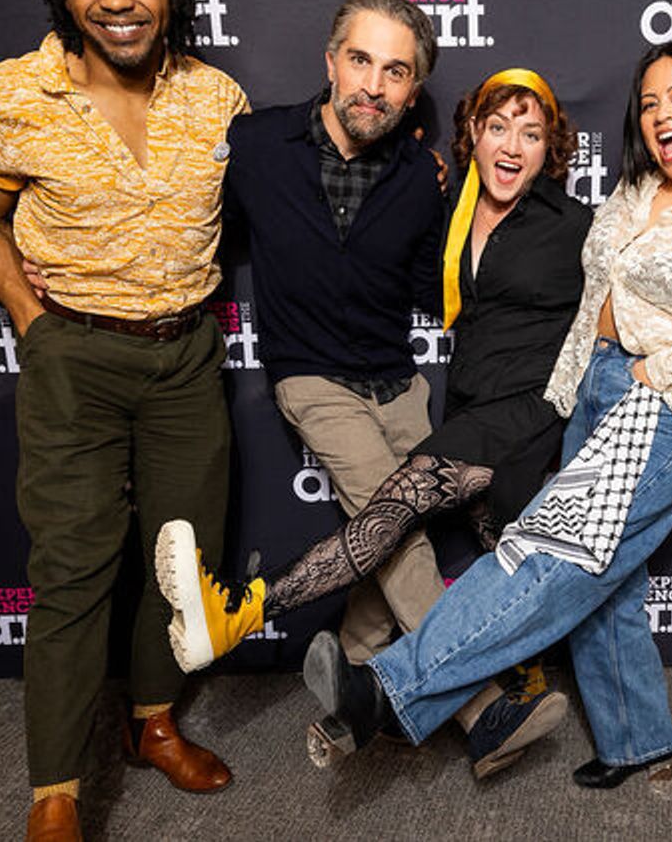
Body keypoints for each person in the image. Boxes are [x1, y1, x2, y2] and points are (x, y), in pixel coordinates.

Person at [297, 35, 672, 788]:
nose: (661, 114)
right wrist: (578, 385)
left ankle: (389, 689)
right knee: (604, 583)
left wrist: (655, 370)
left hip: (665, 407)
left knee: (540, 557)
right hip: (592, 393)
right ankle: (639, 741)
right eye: (649, 103)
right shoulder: (631, 196)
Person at [157, 66, 592, 776]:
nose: (513, 145)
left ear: (551, 149)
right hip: (471, 406)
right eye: (498, 127)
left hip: (526, 413)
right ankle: (385, 691)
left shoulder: (576, 225)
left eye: (532, 133)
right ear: (473, 134)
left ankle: (241, 609)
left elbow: (620, 310)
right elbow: (397, 271)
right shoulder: (453, 210)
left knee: (391, 512)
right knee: (425, 536)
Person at [0, 0, 247, 838]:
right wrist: (28, 315)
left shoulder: (216, 96)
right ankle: (57, 790)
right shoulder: (12, 95)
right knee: (73, 569)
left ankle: (152, 722)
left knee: (181, 557)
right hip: (74, 361)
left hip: (185, 358)